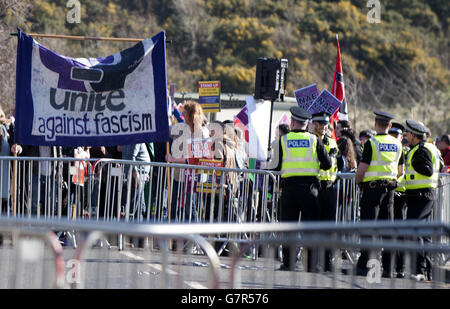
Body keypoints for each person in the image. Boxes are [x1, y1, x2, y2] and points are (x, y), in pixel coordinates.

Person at [273, 106, 332, 271]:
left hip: (289, 190)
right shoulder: (314, 140)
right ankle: (311, 264)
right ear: (307, 124)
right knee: (311, 228)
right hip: (310, 190)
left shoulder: (283, 140)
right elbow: (327, 164)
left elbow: (276, 167)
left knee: (289, 227)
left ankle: (288, 263)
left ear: (292, 122)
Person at [354, 111, 404, 278]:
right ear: (389, 126)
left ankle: (365, 267)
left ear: (375, 124)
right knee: (387, 230)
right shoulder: (398, 144)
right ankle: (389, 269)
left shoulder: (371, 143)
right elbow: (400, 171)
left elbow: (362, 169)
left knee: (368, 228)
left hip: (372, 190)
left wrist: (358, 182)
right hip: (389, 190)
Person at [403, 120, 443, 281]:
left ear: (414, 135)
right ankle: (428, 271)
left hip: (421, 195)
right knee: (424, 234)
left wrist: (414, 163)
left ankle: (419, 270)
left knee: (415, 231)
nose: (407, 136)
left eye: (408, 134)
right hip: (424, 195)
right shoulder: (431, 147)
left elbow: (427, 170)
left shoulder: (420, 150)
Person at [311, 112, 338, 271]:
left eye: (325, 124)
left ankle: (327, 262)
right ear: (313, 124)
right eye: (320, 124)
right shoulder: (310, 141)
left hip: (328, 187)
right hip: (315, 187)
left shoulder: (332, 143)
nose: (323, 127)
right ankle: (314, 261)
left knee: (328, 228)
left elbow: (333, 164)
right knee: (314, 227)